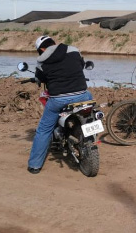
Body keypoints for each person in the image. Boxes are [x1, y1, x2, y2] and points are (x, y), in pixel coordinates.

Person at [27, 35, 92, 174]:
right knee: (90, 113)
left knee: (44, 130)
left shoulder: (41, 61)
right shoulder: (73, 50)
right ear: (54, 43)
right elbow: (81, 65)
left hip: (59, 99)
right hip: (82, 94)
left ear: (42, 48)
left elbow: (41, 78)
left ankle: (35, 165)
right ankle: (89, 138)